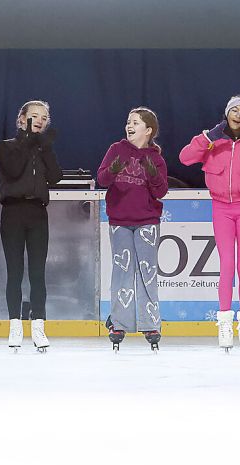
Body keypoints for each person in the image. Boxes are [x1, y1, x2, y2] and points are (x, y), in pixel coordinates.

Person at [179, 94, 240, 352]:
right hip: (220, 207)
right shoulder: (212, 140)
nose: (238, 115)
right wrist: (209, 137)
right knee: (226, 264)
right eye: (234, 110)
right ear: (226, 113)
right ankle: (224, 321)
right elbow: (185, 157)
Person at [97, 107, 168, 352]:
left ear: (148, 130)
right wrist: (115, 167)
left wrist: (152, 174)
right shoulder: (116, 149)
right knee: (122, 272)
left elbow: (161, 191)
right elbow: (102, 179)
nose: (129, 125)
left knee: (147, 272)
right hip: (119, 221)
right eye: (128, 121)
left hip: (147, 222)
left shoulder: (156, 158)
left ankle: (151, 323)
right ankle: (118, 322)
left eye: (135, 122)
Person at [0, 100, 62, 352]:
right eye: (35, 116)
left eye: (45, 117)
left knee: (37, 273)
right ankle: (14, 325)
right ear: (21, 119)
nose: (41, 121)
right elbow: (12, 171)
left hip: (37, 213)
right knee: (15, 272)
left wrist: (44, 149)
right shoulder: (7, 147)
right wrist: (26, 141)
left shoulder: (42, 149)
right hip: (12, 212)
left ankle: (38, 325)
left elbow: (55, 177)